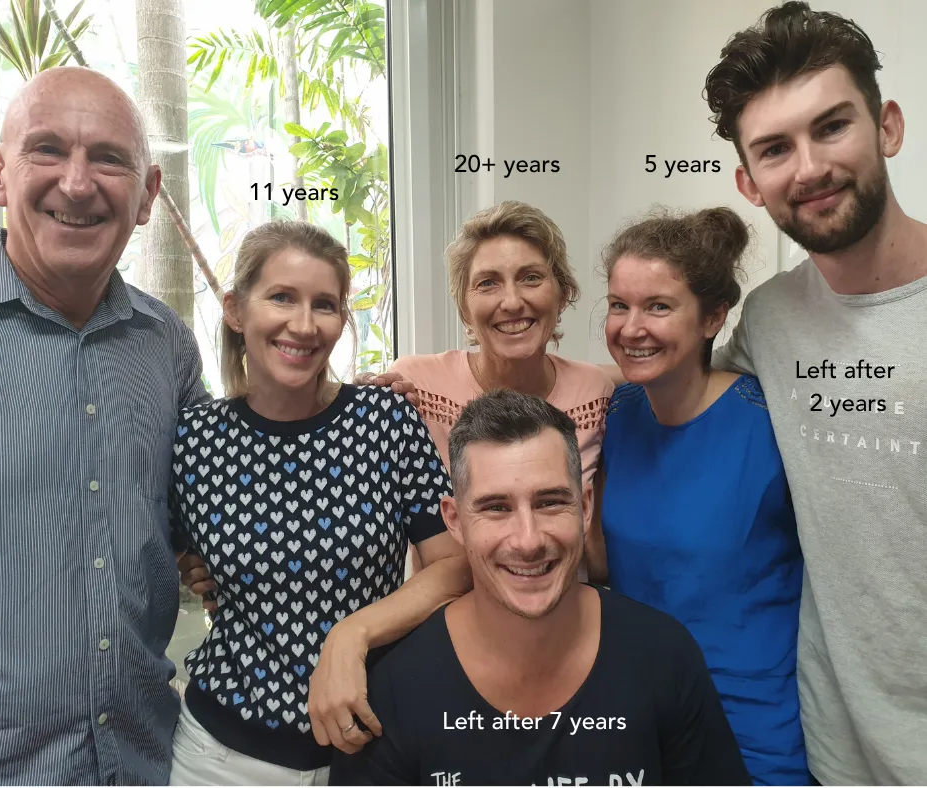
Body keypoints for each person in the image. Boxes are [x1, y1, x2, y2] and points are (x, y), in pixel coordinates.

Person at [704, 2, 927, 783]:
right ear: (750, 183)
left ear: (887, 126)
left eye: (831, 127)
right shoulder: (771, 318)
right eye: (775, 148)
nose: (807, 169)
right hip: (835, 752)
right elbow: (680, 382)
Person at [168, 220, 472, 785]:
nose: (304, 325)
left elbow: (456, 566)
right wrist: (196, 568)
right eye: (281, 297)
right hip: (221, 757)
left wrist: (353, 632)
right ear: (235, 310)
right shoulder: (194, 440)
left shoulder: (385, 421)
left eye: (325, 305)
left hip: (373, 747)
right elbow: (169, 551)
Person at [330, 389, 750, 786]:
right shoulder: (395, 688)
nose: (528, 541)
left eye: (550, 502)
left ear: (585, 507)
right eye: (496, 508)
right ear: (454, 521)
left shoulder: (663, 657)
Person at [0, 68, 208, 784]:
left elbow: (212, 514)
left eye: (109, 158)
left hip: (146, 764)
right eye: (47, 149)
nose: (78, 184)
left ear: (147, 195)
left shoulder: (167, 345)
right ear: (0, 173)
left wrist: (345, 405)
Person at [594, 207, 807, 785]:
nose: (631, 327)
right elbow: (605, 563)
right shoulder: (618, 414)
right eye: (619, 305)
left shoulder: (769, 422)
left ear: (713, 317)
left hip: (751, 723)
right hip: (641, 715)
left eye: (658, 307)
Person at [362, 201, 615, 572]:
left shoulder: (595, 392)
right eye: (487, 283)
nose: (511, 302)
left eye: (531, 278)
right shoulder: (416, 386)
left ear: (562, 295)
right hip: (451, 603)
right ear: (464, 309)